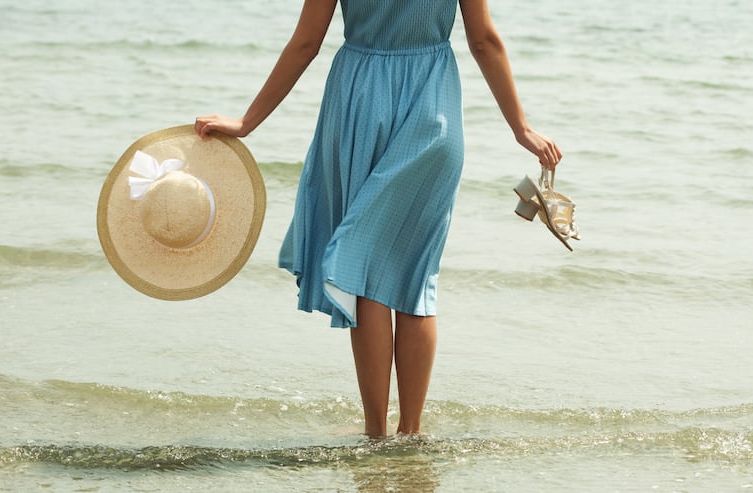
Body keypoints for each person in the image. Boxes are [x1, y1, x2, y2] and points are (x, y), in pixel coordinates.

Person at [195, 0, 562, 438]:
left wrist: (247, 121)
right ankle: (411, 431)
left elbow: (307, 42)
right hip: (432, 109)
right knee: (415, 277)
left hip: (358, 107)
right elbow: (483, 40)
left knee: (363, 271)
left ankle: (376, 434)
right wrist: (520, 127)